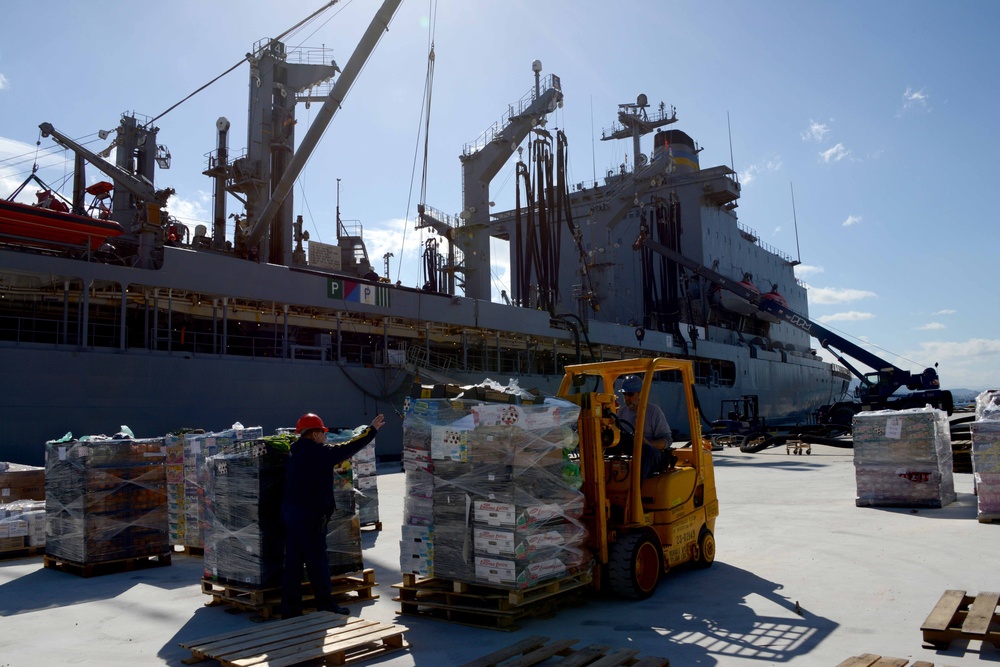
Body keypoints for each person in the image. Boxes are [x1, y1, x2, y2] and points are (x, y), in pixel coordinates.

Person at [281, 411, 385, 618]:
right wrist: (371, 430)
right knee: (317, 562)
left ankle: (290, 610)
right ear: (314, 434)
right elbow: (349, 447)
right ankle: (326, 605)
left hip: (291, 514)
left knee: (292, 563)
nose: (325, 436)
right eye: (323, 432)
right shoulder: (318, 453)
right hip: (310, 516)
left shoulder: (294, 451)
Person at [617, 375, 673, 481]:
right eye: (624, 394)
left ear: (640, 394)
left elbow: (667, 440)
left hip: (652, 456)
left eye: (630, 394)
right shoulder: (621, 412)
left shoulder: (654, 412)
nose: (626, 397)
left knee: (645, 450)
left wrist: (648, 443)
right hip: (631, 452)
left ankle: (636, 489)